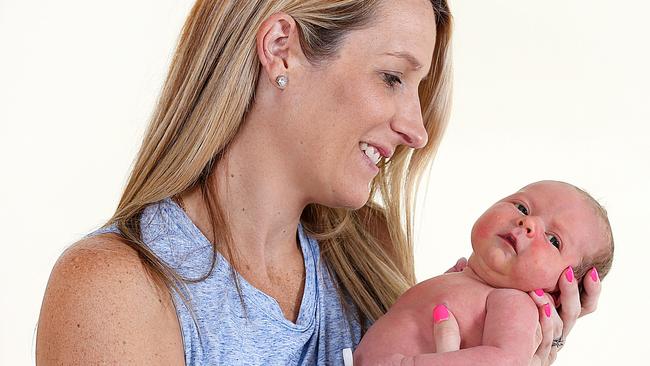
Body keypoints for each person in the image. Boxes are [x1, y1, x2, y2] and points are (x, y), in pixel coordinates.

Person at [35, 1, 601, 365]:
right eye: (393, 77)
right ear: (281, 46)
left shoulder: (364, 257)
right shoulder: (114, 289)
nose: (416, 129)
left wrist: (519, 347)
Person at [353, 180, 613, 365]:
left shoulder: (513, 302)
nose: (528, 223)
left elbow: (506, 360)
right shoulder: (464, 279)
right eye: (522, 207)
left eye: (554, 240)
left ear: (557, 293)